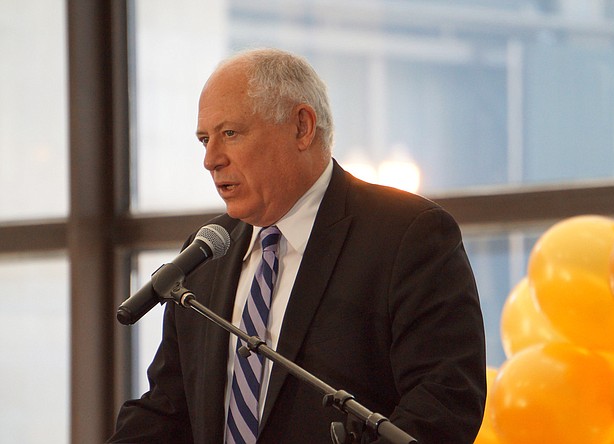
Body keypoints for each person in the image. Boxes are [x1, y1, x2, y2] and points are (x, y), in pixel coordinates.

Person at [108, 48, 486, 444]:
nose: (211, 159)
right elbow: (169, 409)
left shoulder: (407, 235)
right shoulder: (206, 254)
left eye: (230, 133)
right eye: (204, 139)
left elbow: (445, 401)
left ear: (302, 127)